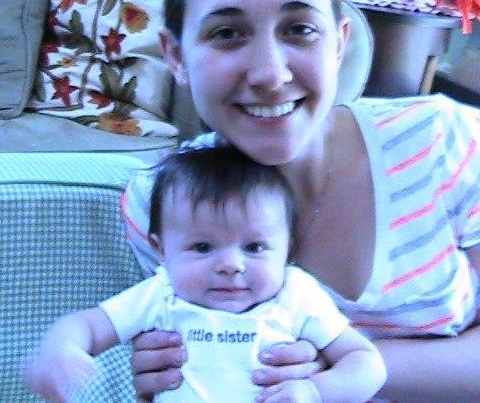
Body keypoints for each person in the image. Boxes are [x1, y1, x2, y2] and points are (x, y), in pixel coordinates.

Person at [118, 0, 480, 402]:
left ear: (339, 42)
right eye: (226, 34)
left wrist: (343, 365)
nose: (271, 74)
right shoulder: (162, 200)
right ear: (176, 55)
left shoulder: (447, 141)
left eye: (300, 29)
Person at [23, 146, 386, 403]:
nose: (230, 265)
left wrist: (316, 390)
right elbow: (87, 325)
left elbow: (367, 364)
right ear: (161, 249)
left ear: (288, 249)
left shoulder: (295, 295)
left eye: (254, 247)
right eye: (202, 247)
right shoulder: (161, 294)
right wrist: (60, 347)